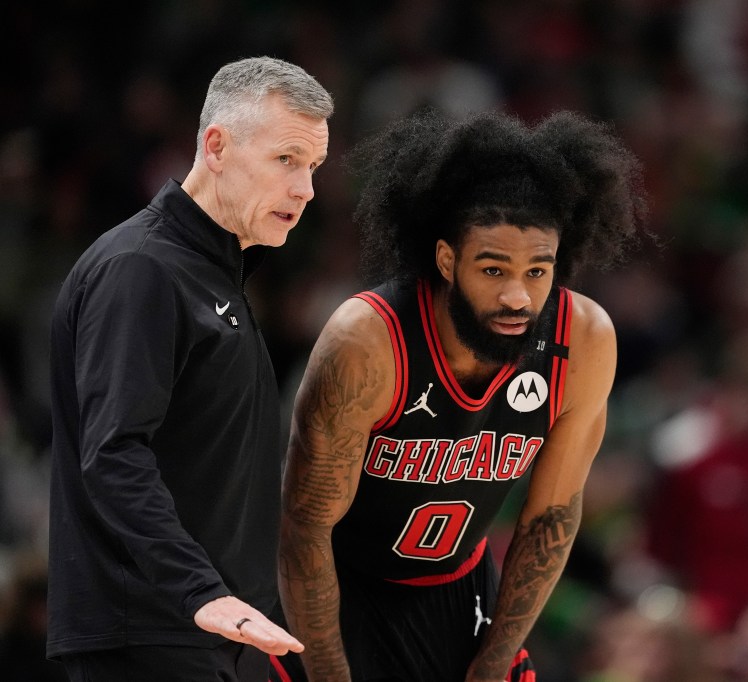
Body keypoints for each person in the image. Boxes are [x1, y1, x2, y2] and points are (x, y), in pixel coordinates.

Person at [276, 108, 648, 681]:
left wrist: (495, 660)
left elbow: (550, 518)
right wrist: (328, 673)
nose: (519, 298)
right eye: (494, 270)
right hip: (336, 588)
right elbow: (306, 527)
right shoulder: (366, 343)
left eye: (537, 271)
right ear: (447, 259)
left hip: (460, 587)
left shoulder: (585, 340)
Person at [46, 56, 333, 681]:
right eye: (287, 159)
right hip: (155, 633)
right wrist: (200, 592)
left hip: (219, 632)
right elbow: (114, 453)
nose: (305, 188)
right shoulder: (142, 269)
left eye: (312, 167)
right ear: (216, 145)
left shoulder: (213, 275)